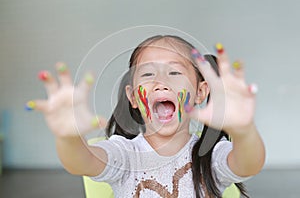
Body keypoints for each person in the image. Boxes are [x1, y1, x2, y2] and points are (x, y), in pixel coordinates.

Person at [27, 35, 265, 198]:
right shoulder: (124, 155)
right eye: (148, 73)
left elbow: (249, 163)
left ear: (200, 92)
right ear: (132, 96)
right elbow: (81, 161)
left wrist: (244, 131)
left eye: (174, 72)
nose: (161, 82)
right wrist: (68, 138)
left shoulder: (209, 156)